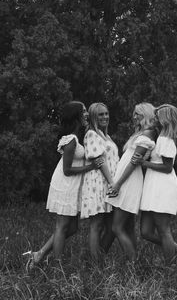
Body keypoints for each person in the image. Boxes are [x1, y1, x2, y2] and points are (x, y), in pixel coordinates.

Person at [23, 101, 102, 268]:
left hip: (72, 185)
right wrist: (91, 167)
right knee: (62, 226)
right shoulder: (71, 140)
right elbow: (66, 170)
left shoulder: (75, 136)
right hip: (66, 184)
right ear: (76, 115)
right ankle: (56, 268)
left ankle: (39, 254)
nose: (87, 113)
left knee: (72, 228)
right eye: (84, 111)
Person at [132, 104, 177, 265]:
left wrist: (143, 163)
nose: (154, 119)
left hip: (162, 186)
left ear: (165, 120)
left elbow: (167, 167)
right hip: (153, 185)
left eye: (157, 116)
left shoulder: (166, 140)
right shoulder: (160, 138)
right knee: (146, 231)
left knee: (163, 229)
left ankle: (170, 266)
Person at [106, 103, 156, 261]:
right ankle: (133, 262)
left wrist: (118, 184)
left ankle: (134, 263)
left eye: (138, 114)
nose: (134, 117)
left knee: (117, 227)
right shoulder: (140, 133)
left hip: (128, 183)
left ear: (146, 115)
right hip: (126, 181)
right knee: (127, 227)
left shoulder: (147, 134)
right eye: (134, 114)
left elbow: (134, 163)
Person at [80, 102, 119, 261]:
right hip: (98, 184)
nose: (105, 117)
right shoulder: (91, 134)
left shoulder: (106, 136)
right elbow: (100, 161)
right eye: (101, 114)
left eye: (106, 113)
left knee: (112, 227)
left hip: (108, 184)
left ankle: (97, 259)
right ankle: (96, 264)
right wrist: (112, 183)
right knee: (96, 225)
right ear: (94, 117)